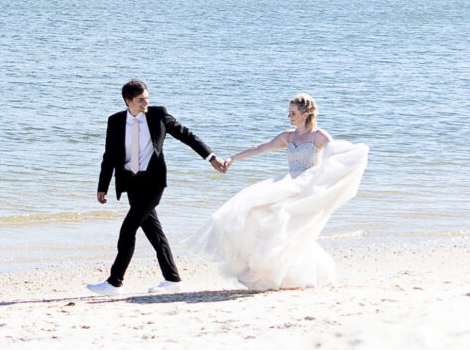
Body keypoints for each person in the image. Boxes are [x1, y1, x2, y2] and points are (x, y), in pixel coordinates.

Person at [194, 94, 369, 290]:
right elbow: (261, 148)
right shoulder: (289, 135)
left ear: (305, 114)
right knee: (254, 211)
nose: (289, 116)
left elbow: (336, 156)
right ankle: (259, 266)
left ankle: (262, 268)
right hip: (289, 181)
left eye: (293, 113)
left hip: (308, 185)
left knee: (282, 225)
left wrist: (330, 177)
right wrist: (232, 158)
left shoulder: (318, 136)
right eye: (289, 112)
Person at [90, 79, 215, 292]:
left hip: (153, 182)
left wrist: (210, 157)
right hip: (131, 183)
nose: (145, 103)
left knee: (128, 229)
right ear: (128, 101)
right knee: (155, 234)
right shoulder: (115, 121)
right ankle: (173, 280)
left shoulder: (158, 115)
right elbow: (109, 156)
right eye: (140, 100)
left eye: (147, 99)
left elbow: (186, 135)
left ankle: (114, 282)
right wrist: (103, 186)